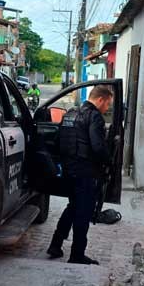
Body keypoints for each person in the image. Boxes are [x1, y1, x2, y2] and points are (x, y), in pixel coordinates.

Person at [47, 85, 114, 265]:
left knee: (72, 207)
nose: (107, 108)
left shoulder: (70, 113)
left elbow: (57, 141)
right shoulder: (94, 117)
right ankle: (77, 255)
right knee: (83, 213)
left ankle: (55, 244)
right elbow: (98, 147)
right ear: (100, 99)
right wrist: (109, 162)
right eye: (107, 104)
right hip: (86, 172)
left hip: (68, 170)